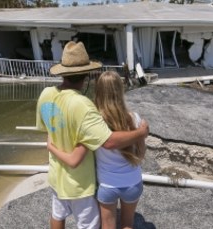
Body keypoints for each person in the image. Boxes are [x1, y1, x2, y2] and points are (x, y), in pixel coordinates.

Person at [36, 41, 148, 229]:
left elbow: (48, 128)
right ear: (86, 75)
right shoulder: (83, 106)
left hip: (56, 175)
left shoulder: (45, 94)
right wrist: (141, 133)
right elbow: (109, 141)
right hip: (79, 183)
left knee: (57, 215)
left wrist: (52, 146)